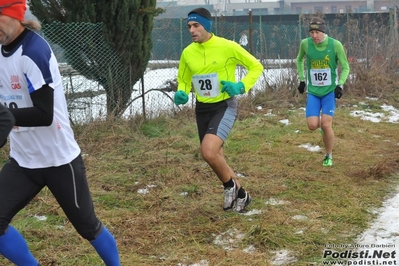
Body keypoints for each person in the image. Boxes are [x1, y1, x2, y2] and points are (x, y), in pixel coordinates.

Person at [0, 1, 120, 265]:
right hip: (23, 161)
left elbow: (44, 114)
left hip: (59, 161)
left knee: (88, 227)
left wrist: (6, 118)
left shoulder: (33, 51)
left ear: (14, 16)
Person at [174, 7, 263, 213]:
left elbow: (256, 66)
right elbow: (184, 80)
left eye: (196, 25)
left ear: (206, 26)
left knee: (208, 151)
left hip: (224, 106)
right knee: (216, 156)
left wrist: (240, 86)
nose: (192, 30)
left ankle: (229, 186)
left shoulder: (227, 46)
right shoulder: (188, 53)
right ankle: (242, 195)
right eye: (189, 26)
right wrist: (182, 92)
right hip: (202, 108)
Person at [296, 17, 350, 167]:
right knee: (313, 125)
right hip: (313, 92)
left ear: (323, 32)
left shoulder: (335, 45)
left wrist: (340, 85)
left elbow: (345, 67)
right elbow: (299, 60)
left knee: (326, 125)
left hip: (329, 92)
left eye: (317, 32)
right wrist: (302, 80)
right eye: (311, 32)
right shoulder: (305, 44)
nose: (314, 36)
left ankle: (328, 155)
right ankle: (323, 132)